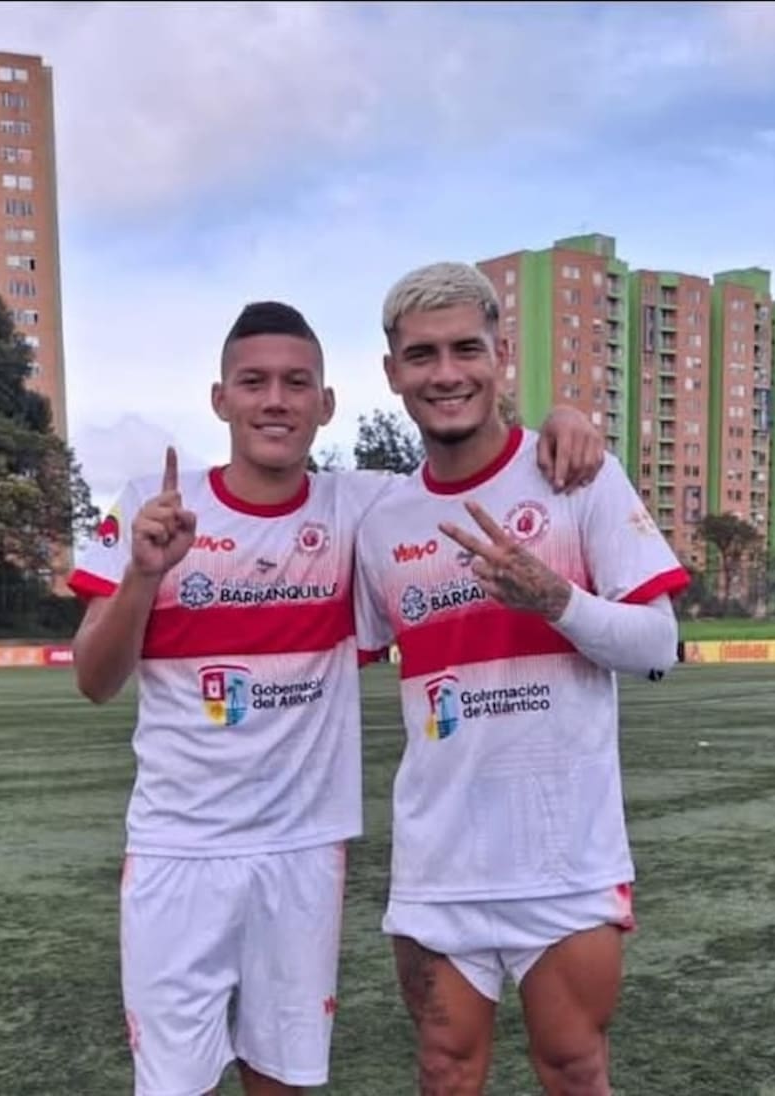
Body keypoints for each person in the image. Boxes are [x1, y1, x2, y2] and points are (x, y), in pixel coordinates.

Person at [67, 299, 606, 1096]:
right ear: (220, 398)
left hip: (306, 848)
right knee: (172, 1085)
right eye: (253, 382)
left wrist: (562, 420)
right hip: (178, 849)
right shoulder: (153, 504)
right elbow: (94, 678)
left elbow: (467, 460)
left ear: (325, 404)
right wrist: (145, 576)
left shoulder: (364, 507)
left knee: (283, 1079)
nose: (275, 401)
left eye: (296, 383)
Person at [354, 262, 691, 1095]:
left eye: (466, 348)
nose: (446, 373)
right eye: (422, 355)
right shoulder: (381, 520)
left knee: (573, 1068)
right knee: (444, 1071)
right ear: (393, 372)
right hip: (438, 864)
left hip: (564, 859)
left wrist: (555, 599)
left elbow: (658, 644)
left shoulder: (577, 476)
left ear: (500, 356)